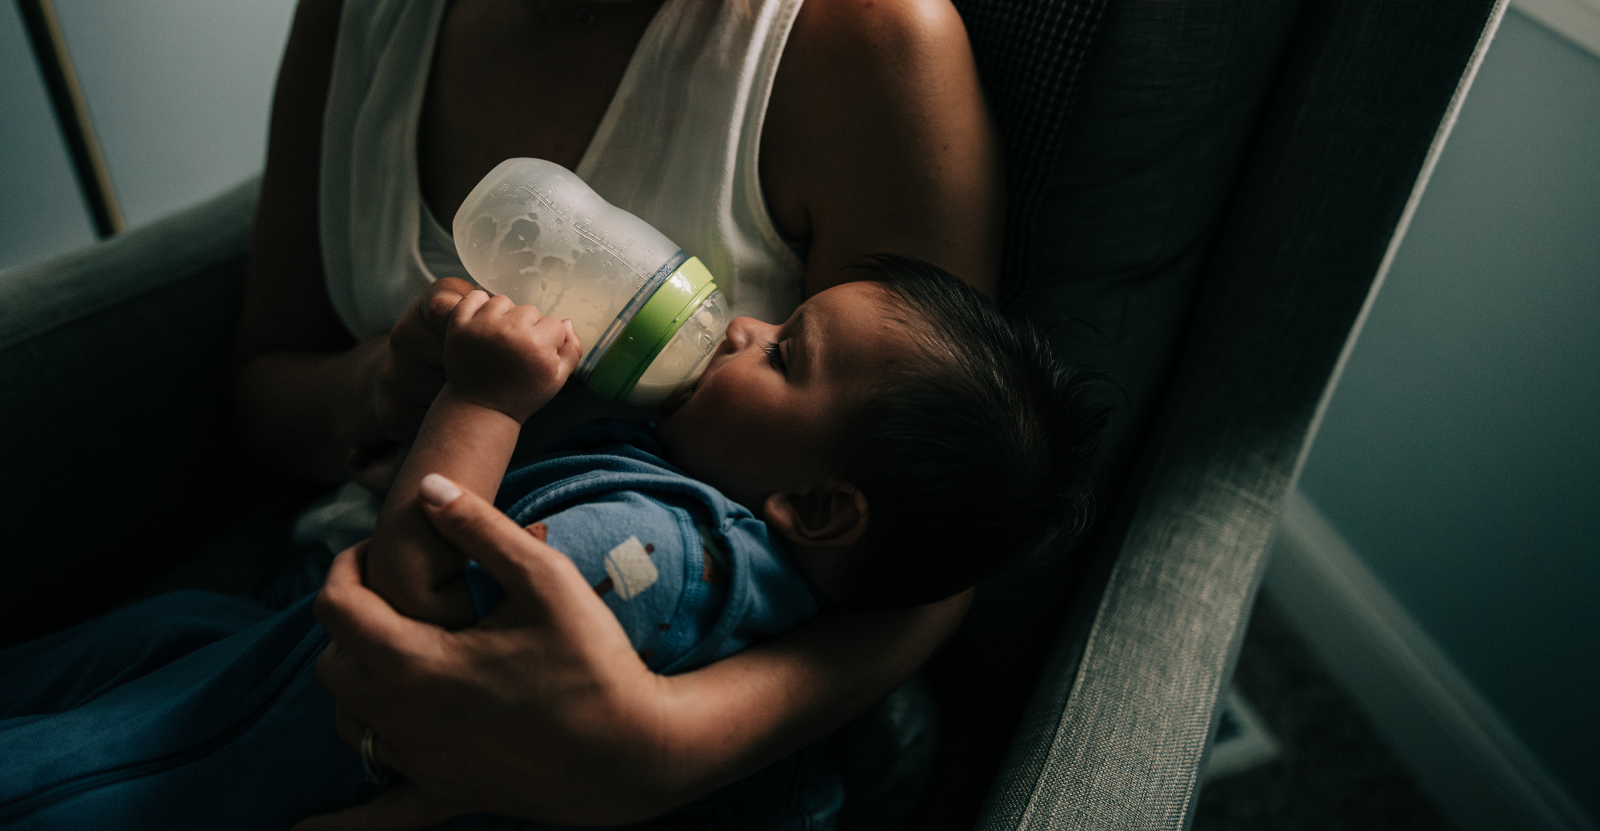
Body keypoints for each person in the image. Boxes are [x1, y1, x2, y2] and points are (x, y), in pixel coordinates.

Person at [229, 0, 1003, 822]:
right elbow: (261, 397)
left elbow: (938, 539)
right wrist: (387, 387)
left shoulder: (859, 36)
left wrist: (663, 745)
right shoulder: (350, 19)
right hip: (324, 635)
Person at [0, 259, 1105, 831]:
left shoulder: (657, 560)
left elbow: (412, 599)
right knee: (142, 642)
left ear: (815, 506)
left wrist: (482, 398)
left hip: (246, 767)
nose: (741, 324)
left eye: (782, 352)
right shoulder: (697, 483)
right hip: (256, 652)